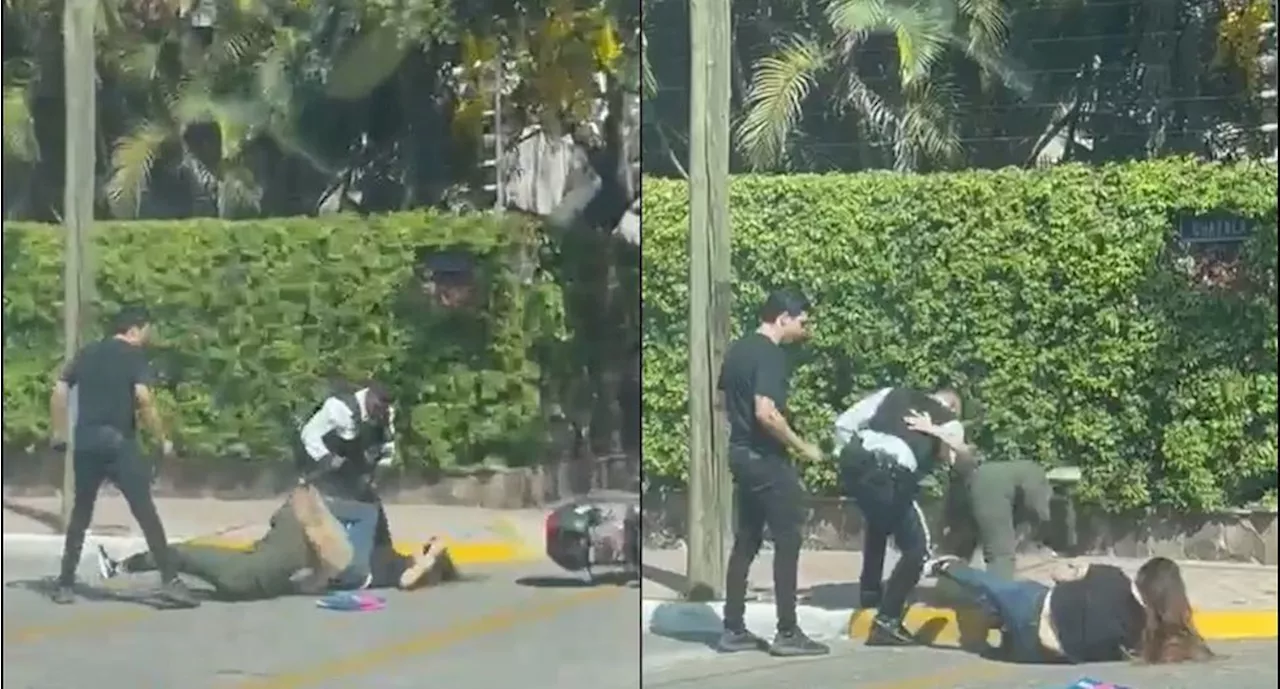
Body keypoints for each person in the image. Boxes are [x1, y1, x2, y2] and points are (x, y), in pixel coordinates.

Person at [48, 306, 200, 608]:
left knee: (81, 512)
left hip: (87, 443)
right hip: (119, 444)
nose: (148, 337)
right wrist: (160, 438)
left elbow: (59, 391)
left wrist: (59, 432)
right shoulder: (133, 357)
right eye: (146, 330)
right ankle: (170, 581)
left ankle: (65, 584)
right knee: (145, 511)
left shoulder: (88, 353)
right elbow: (144, 398)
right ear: (134, 329)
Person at [96, 485, 457, 601]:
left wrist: (431, 560)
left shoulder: (407, 572)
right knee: (239, 577)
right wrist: (436, 548)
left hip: (310, 552)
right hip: (308, 537)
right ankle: (129, 565)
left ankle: (132, 564)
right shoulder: (387, 547)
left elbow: (410, 581)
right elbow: (363, 512)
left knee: (242, 578)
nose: (425, 546)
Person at [716, 289, 829, 657]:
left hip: (740, 454)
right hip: (766, 459)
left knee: (747, 539)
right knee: (788, 539)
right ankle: (787, 632)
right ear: (783, 317)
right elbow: (766, 412)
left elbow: (726, 402)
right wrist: (802, 446)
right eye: (802, 321)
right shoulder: (770, 355)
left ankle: (732, 629)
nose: (805, 328)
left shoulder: (737, 350)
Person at [834, 386, 972, 646]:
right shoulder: (948, 419)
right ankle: (888, 618)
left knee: (879, 521)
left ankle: (870, 593)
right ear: (953, 407)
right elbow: (959, 453)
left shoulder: (891, 393)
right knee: (918, 548)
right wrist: (934, 431)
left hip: (855, 462)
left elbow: (844, 423)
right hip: (891, 472)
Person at [927, 554, 1215, 665]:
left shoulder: (1111, 576)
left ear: (1141, 576)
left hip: (1032, 610)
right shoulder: (1143, 636)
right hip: (1039, 655)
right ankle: (997, 633)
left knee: (1003, 587)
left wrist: (1071, 566)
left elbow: (1059, 574)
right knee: (1009, 603)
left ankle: (945, 566)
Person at [294, 380, 398, 589]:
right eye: (379, 405)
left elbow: (388, 446)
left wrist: (379, 473)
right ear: (369, 396)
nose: (382, 411)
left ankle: (382, 564)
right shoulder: (339, 407)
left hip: (355, 473)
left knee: (373, 513)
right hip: (326, 472)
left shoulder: (386, 414)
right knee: (322, 518)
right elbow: (309, 434)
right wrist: (327, 458)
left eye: (386, 407)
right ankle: (330, 567)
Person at [939, 458, 1056, 581]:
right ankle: (1001, 591)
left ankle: (950, 581)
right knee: (1000, 552)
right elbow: (1036, 506)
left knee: (962, 541)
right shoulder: (1037, 474)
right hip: (991, 489)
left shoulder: (1020, 468)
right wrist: (1040, 525)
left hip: (970, 481)